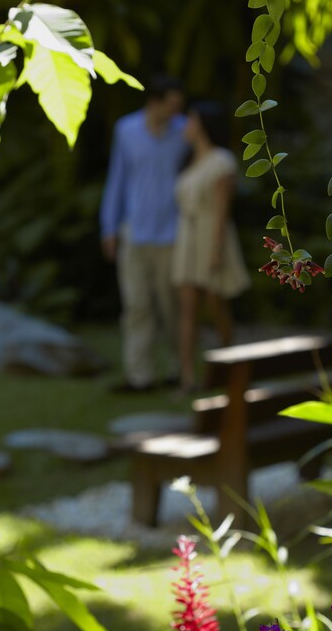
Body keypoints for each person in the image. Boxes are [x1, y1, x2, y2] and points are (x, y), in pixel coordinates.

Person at [100, 74, 188, 391]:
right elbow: (117, 179)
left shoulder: (184, 132)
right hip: (134, 233)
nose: (177, 111)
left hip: (173, 234)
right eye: (172, 105)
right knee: (136, 307)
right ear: (154, 103)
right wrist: (109, 227)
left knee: (171, 308)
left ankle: (181, 369)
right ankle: (140, 377)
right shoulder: (126, 130)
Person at [172, 101, 250, 393]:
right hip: (187, 236)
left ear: (203, 124)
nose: (185, 127)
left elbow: (222, 210)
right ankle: (188, 377)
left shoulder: (221, 161)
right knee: (188, 309)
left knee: (216, 306)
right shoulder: (188, 159)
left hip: (210, 235)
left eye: (190, 120)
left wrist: (216, 249)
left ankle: (229, 368)